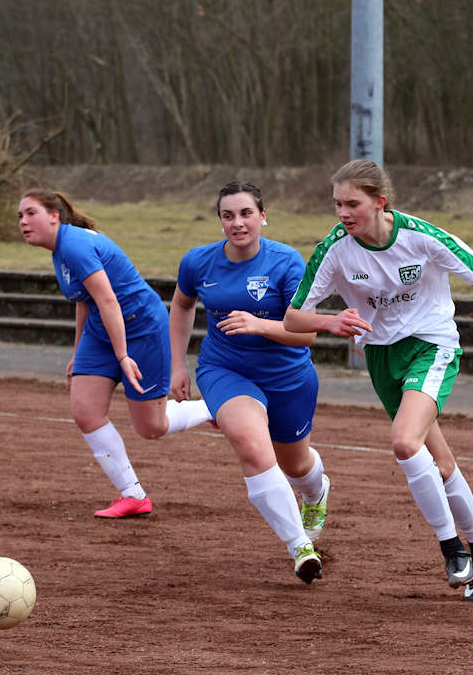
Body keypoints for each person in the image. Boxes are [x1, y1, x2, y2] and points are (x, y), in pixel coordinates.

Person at [284, 160, 473, 601]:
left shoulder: (423, 237)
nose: (342, 213)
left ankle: (451, 547)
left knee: (403, 442)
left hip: (432, 347)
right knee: (442, 462)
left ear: (380, 202)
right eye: (337, 203)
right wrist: (329, 320)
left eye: (352, 203)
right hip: (382, 358)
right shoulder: (335, 249)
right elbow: (293, 317)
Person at [168, 181, 330, 584]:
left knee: (296, 464)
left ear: (262, 215)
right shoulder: (198, 262)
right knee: (252, 446)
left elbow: (307, 335)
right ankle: (300, 547)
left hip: (288, 375)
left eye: (245, 214)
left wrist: (259, 324)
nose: (237, 223)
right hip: (224, 370)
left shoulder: (288, 262)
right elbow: (183, 305)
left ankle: (316, 493)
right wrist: (177, 365)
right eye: (228, 216)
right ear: (220, 220)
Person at [17, 189, 213, 518]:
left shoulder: (75, 244)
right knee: (85, 410)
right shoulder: (60, 248)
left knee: (151, 427)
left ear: (54, 216)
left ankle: (213, 408)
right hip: (102, 329)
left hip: (142, 328)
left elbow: (108, 300)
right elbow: (85, 299)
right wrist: (78, 352)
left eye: (30, 213)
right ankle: (132, 495)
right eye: (20, 216)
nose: (23, 221)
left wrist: (122, 356)